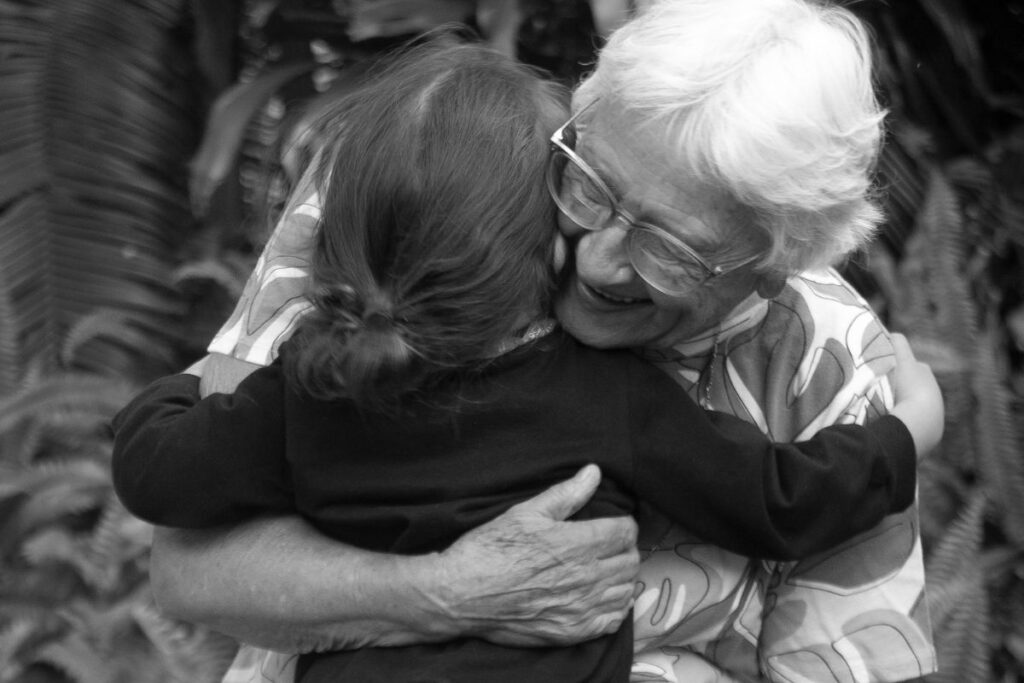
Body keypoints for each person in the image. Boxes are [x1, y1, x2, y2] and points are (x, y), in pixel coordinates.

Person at [149, 1, 939, 681]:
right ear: (582, 118)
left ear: (772, 271)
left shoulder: (831, 365)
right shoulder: (415, 189)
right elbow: (189, 568)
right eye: (590, 185)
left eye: (670, 250)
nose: (596, 262)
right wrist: (445, 592)